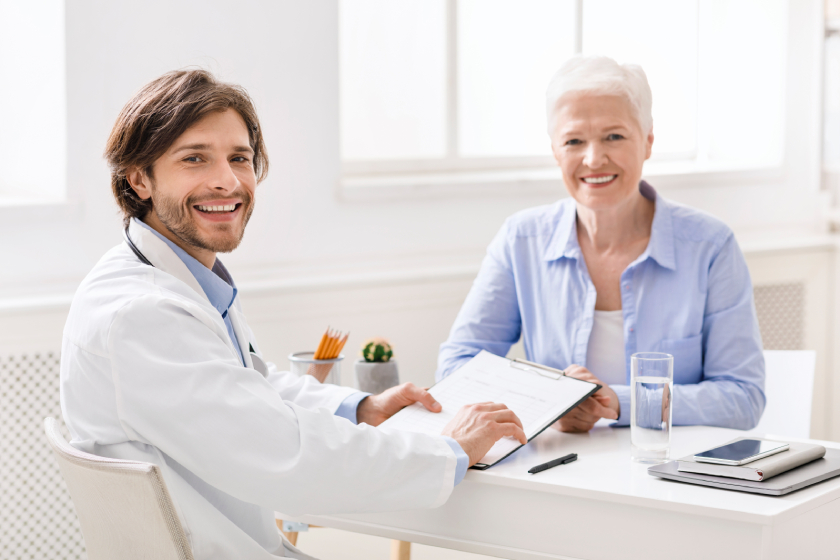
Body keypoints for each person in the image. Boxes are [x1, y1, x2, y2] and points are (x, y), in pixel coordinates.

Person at [60, 70, 526, 560]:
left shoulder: (161, 277)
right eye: (194, 158)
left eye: (239, 158)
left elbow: (249, 387)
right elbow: (290, 455)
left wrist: (360, 408)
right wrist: (448, 450)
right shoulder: (145, 314)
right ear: (139, 178)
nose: (227, 180)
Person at [437, 56, 766, 433]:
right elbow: (457, 366)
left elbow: (743, 398)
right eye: (574, 141)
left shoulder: (711, 247)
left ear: (647, 142)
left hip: (673, 473)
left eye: (614, 136)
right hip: (555, 468)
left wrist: (618, 403)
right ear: (556, 151)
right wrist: (550, 401)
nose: (594, 159)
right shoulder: (520, 240)